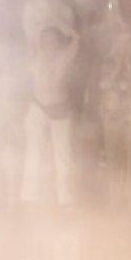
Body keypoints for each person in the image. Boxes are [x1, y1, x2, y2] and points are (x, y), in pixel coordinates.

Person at [20, 24, 79, 206]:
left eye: (53, 40)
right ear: (40, 43)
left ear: (59, 42)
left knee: (63, 154)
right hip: (38, 107)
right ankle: (30, 196)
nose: (49, 44)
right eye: (45, 41)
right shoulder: (33, 59)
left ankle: (65, 198)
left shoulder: (65, 58)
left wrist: (63, 25)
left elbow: (76, 38)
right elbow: (24, 83)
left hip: (60, 108)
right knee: (34, 152)